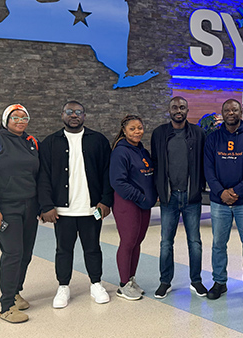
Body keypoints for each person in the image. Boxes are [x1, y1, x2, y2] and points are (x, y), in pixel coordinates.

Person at [38, 100, 113, 308]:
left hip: (91, 210)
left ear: (84, 116)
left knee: (93, 248)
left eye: (78, 112)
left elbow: (108, 173)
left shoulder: (97, 141)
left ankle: (96, 284)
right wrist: (46, 206)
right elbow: (42, 176)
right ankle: (63, 287)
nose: (74, 115)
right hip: (62, 211)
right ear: (62, 115)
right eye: (69, 112)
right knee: (63, 250)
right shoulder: (50, 142)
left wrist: (106, 201)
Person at [0, 104, 39, 323]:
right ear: (6, 120)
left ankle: (15, 292)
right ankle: (6, 307)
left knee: (26, 254)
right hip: (7, 209)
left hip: (30, 207)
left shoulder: (31, 143)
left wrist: (41, 205)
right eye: (15, 117)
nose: (21, 121)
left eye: (25, 117)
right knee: (12, 254)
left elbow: (38, 175)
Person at [204, 98, 243, 302]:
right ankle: (219, 282)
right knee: (219, 243)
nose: (231, 112)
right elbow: (208, 169)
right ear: (222, 113)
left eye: (235, 109)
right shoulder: (212, 138)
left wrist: (236, 191)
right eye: (227, 110)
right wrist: (221, 192)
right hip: (219, 202)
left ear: (241, 112)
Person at [150, 97, 208, 298]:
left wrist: (202, 188)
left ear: (187, 109)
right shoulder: (159, 134)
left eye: (182, 107)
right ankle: (165, 282)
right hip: (169, 197)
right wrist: (157, 191)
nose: (178, 110)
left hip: (191, 197)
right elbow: (154, 164)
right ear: (169, 110)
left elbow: (204, 163)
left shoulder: (199, 133)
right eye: (175, 107)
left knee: (195, 242)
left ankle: (196, 281)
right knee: (166, 242)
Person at [110, 115, 157, 301]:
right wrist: (140, 197)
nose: (137, 131)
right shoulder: (120, 152)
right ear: (124, 130)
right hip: (127, 203)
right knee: (128, 242)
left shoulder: (142, 151)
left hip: (144, 204)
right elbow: (117, 181)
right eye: (132, 129)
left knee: (137, 241)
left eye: (140, 127)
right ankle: (122, 285)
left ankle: (131, 279)